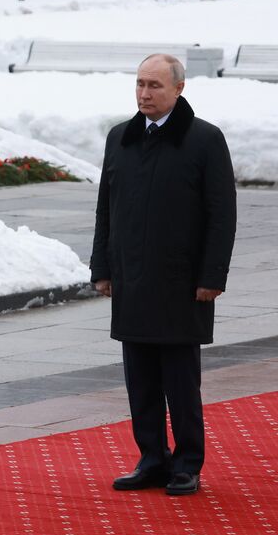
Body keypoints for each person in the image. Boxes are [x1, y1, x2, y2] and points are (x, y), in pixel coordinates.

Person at [91, 54, 236, 497]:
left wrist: (212, 276)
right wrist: (102, 267)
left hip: (182, 283)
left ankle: (187, 463)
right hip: (132, 279)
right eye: (139, 84)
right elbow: (105, 209)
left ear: (179, 88)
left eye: (154, 85)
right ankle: (152, 458)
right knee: (141, 379)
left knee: (180, 380)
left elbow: (222, 214)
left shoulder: (204, 139)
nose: (144, 93)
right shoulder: (121, 137)